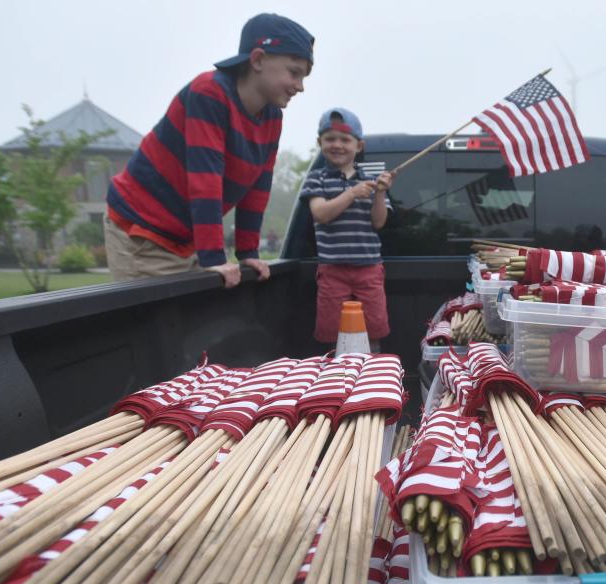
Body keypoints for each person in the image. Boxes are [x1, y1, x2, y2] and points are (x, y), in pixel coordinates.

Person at [104, 14, 314, 287]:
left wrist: (248, 252)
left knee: (191, 323)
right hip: (143, 230)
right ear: (258, 59)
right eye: (294, 72)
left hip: (187, 236)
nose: (300, 86)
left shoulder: (272, 117)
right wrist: (213, 255)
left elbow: (258, 187)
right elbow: (206, 179)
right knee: (156, 325)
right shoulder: (210, 93)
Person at [299, 108, 395, 348]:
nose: (337, 145)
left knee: (374, 331)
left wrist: (380, 192)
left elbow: (379, 222)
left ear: (358, 146)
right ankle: (336, 379)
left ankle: (372, 378)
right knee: (332, 335)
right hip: (332, 270)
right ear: (319, 142)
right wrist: (352, 193)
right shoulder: (316, 179)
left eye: (345, 139)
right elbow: (320, 214)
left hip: (369, 269)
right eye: (330, 139)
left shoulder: (371, 181)